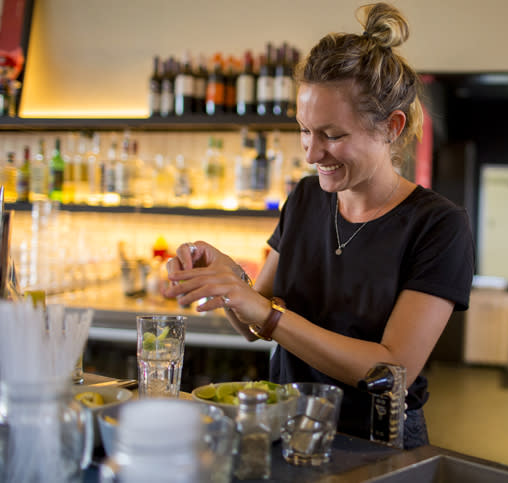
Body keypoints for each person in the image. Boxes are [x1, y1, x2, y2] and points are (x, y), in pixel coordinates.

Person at [163, 2, 474, 449]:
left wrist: (266, 314)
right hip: (286, 424)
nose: (311, 153)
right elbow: (254, 322)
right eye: (304, 130)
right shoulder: (307, 197)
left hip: (373, 442)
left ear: (391, 127)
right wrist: (229, 280)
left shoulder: (439, 226)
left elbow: (392, 370)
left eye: (332, 135)